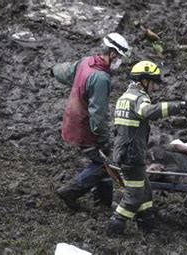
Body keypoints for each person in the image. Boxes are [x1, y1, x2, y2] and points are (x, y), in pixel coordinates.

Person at [108, 60, 187, 236]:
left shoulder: (125, 97)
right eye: (153, 83)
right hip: (131, 155)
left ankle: (147, 224)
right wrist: (177, 107)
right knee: (135, 196)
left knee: (145, 191)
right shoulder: (139, 97)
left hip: (125, 152)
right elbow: (148, 112)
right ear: (143, 81)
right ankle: (116, 226)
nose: (155, 88)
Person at [53, 32, 130, 210]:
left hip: (72, 119)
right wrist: (103, 140)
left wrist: (53, 70)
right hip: (85, 127)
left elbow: (67, 71)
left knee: (102, 162)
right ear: (112, 54)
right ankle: (71, 191)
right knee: (105, 164)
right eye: (119, 57)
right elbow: (99, 114)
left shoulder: (87, 62)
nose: (120, 61)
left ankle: (102, 202)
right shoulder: (101, 78)